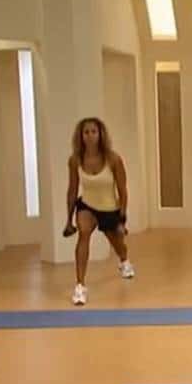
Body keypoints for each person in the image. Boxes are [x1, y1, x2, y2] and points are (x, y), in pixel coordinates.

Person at [63, 117, 135, 305]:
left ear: (100, 134)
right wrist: (68, 220)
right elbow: (72, 190)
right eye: (86, 132)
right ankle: (80, 286)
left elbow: (122, 190)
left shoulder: (113, 159)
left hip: (109, 208)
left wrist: (122, 217)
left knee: (118, 244)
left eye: (93, 132)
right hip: (87, 205)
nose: (90, 136)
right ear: (81, 136)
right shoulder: (75, 160)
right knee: (83, 235)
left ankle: (124, 260)